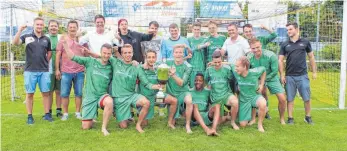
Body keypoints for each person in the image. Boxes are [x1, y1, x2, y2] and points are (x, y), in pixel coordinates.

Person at [62, 35, 114, 136]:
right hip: (90, 97)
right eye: (104, 53)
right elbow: (72, 57)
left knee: (109, 101)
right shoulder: (90, 61)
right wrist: (65, 45)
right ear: (100, 52)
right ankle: (92, 114)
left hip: (102, 95)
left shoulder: (111, 66)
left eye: (109, 54)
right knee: (86, 127)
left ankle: (104, 128)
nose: (106, 55)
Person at [109, 44, 161, 133]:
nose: (128, 54)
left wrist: (154, 86)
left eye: (129, 52)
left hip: (131, 95)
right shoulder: (115, 62)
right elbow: (104, 55)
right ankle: (122, 114)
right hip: (119, 98)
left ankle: (138, 125)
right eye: (125, 53)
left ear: (132, 53)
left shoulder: (137, 66)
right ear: (122, 54)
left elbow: (145, 81)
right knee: (123, 126)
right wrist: (114, 49)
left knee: (146, 103)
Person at [12, 17, 52, 124]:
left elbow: (49, 52)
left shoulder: (46, 39)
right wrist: (20, 30)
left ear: (43, 26)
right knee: (30, 94)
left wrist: (45, 62)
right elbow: (15, 43)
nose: (39, 26)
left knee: (46, 93)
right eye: (37, 24)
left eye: (41, 25)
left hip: (44, 70)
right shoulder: (27, 36)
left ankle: (47, 114)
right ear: (34, 25)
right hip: (30, 70)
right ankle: (30, 116)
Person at [279, 22, 317, 125]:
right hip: (289, 76)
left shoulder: (305, 42)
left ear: (296, 29)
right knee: (290, 98)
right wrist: (282, 75)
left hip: (303, 75)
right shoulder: (284, 44)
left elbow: (311, 57)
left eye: (290, 29)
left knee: (307, 98)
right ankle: (290, 118)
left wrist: (314, 72)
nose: (288, 31)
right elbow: (280, 60)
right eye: (287, 30)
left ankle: (308, 117)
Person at [56, 20, 91, 121]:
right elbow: (58, 54)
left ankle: (77, 113)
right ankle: (65, 114)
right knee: (64, 94)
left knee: (79, 93)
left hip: (79, 71)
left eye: (74, 27)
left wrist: (85, 52)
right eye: (70, 27)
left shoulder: (82, 41)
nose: (72, 29)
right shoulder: (63, 40)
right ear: (67, 28)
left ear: (77, 28)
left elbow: (87, 55)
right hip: (66, 71)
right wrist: (57, 69)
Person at [247, 38, 286, 124]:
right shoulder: (249, 57)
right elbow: (248, 71)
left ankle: (282, 118)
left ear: (261, 45)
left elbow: (274, 71)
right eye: (253, 48)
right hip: (257, 79)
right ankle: (254, 118)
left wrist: (263, 80)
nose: (256, 50)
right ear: (250, 48)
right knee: (253, 94)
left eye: (257, 47)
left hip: (272, 78)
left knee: (282, 99)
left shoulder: (271, 55)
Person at [139, 50, 178, 128]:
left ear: (156, 58)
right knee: (144, 124)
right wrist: (155, 86)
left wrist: (164, 81)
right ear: (146, 58)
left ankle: (170, 122)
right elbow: (146, 83)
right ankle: (141, 112)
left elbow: (163, 80)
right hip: (145, 98)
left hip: (156, 97)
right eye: (149, 57)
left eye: (153, 57)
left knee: (174, 101)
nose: (151, 59)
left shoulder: (159, 68)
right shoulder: (141, 68)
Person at [205, 51, 239, 130]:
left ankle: (233, 122)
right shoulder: (209, 69)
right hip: (215, 97)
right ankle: (226, 115)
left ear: (222, 60)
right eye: (215, 62)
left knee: (235, 101)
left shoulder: (227, 69)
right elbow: (206, 81)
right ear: (212, 61)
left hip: (226, 94)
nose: (217, 64)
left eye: (219, 62)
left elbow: (232, 79)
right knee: (219, 121)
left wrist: (225, 64)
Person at [232, 56, 267, 132]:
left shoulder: (255, 72)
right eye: (235, 66)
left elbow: (264, 69)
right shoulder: (236, 72)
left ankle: (260, 125)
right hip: (244, 100)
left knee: (263, 103)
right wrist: (214, 63)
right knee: (243, 125)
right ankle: (252, 117)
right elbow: (228, 64)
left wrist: (261, 84)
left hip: (254, 97)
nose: (235, 68)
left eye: (237, 66)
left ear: (245, 67)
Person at [165, 44, 193, 133]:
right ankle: (173, 118)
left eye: (180, 52)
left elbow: (182, 83)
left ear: (183, 54)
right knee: (173, 122)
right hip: (171, 92)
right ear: (173, 54)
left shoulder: (188, 66)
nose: (178, 54)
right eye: (176, 52)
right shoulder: (168, 63)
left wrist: (173, 75)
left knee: (189, 101)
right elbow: (153, 65)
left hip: (183, 91)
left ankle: (187, 125)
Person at [46, 19, 62, 117]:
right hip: (48, 68)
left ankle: (58, 110)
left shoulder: (61, 38)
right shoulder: (45, 38)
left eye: (55, 26)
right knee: (49, 90)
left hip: (60, 67)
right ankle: (49, 110)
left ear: (58, 28)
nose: (53, 28)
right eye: (51, 26)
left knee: (59, 90)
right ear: (48, 27)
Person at [187, 22, 208, 88]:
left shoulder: (204, 39)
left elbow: (206, 53)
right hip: (192, 65)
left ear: (200, 30)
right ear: (192, 30)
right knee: (192, 84)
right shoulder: (189, 40)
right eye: (195, 29)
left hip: (201, 66)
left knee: (201, 84)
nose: (196, 31)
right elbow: (190, 50)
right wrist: (201, 46)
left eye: (198, 29)